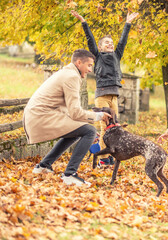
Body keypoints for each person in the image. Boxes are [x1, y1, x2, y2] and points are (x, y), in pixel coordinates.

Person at [24, 49, 110, 186]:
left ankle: (44, 166)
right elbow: (75, 112)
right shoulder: (72, 77)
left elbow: (71, 112)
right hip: (41, 117)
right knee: (90, 131)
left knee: (82, 131)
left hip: (39, 116)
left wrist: (84, 124)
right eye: (89, 65)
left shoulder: (67, 73)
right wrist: (98, 116)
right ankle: (70, 174)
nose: (90, 70)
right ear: (79, 62)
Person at [71, 10, 138, 166]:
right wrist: (83, 22)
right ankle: (102, 159)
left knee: (114, 127)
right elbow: (90, 40)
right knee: (104, 126)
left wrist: (127, 23)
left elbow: (123, 41)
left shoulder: (117, 55)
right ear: (100, 47)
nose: (111, 44)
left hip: (114, 95)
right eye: (107, 42)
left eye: (111, 42)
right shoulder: (97, 56)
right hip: (102, 95)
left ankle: (108, 154)